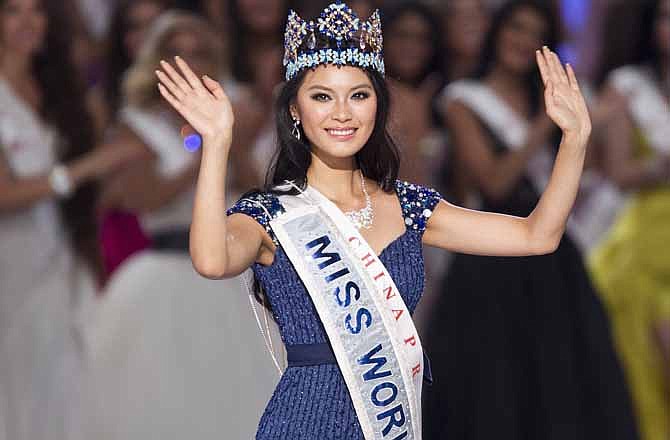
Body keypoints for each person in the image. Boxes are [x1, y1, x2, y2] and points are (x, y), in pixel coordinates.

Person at [155, 2, 592, 438]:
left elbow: (538, 235)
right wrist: (216, 144)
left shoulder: (412, 207)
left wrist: (574, 138)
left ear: (377, 106)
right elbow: (212, 260)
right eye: (322, 96)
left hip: (390, 419)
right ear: (295, 110)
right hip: (304, 424)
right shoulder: (272, 214)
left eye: (358, 95)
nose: (342, 113)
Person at [422, 1, 639, 439]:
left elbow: (589, 176)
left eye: (534, 34)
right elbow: (496, 183)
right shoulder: (464, 101)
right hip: (491, 254)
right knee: (496, 385)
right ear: (498, 32)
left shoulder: (558, 102)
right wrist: (546, 123)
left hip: (555, 261)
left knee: (564, 380)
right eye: (515, 28)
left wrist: (585, 128)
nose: (522, 41)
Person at [80, 11, 278, 440]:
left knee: (238, 395)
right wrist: (211, 146)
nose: (189, 61)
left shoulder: (238, 115)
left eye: (199, 52)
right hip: (163, 273)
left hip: (230, 275)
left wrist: (235, 143)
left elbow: (256, 190)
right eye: (176, 52)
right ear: (158, 60)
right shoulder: (136, 125)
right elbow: (143, 197)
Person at [0, 0, 138, 439]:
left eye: (36, 11)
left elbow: (94, 190)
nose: (27, 23)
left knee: (73, 382)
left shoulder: (61, 90)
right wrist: (85, 169)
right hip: (13, 262)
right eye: (12, 11)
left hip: (65, 255)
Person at [590, 1, 670, 439]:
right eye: (664, 17)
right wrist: (660, 167)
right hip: (646, 239)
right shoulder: (628, 87)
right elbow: (618, 172)